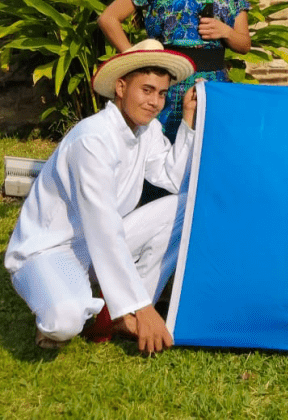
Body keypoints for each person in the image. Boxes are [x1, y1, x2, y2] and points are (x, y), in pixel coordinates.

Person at [5, 40, 198, 353]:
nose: (155, 102)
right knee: (64, 321)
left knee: (182, 205)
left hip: (95, 249)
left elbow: (173, 179)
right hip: (50, 250)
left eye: (161, 93)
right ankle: (116, 305)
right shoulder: (92, 138)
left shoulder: (146, 131)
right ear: (121, 87)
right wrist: (143, 307)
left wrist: (187, 117)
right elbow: (103, 226)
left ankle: (123, 312)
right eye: (146, 90)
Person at [98, 0, 250, 142]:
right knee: (160, 153)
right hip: (165, 85)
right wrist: (135, 61)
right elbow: (108, 18)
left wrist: (226, 31)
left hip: (213, 88)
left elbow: (244, 44)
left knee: (207, 153)